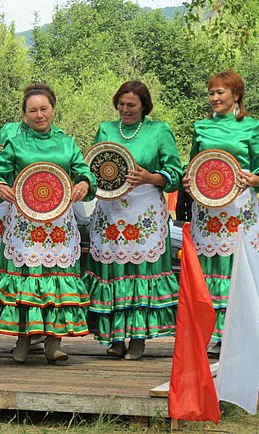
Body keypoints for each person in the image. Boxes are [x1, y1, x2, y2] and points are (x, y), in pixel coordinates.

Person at [0, 85, 97, 364]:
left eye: (43, 108)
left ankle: (53, 342)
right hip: (24, 224)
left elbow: (84, 172)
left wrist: (83, 183)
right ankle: (22, 339)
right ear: (24, 115)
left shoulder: (67, 142)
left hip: (58, 225)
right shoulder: (15, 143)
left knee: (55, 280)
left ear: (53, 109)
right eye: (32, 110)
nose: (39, 114)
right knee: (27, 280)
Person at [83, 81, 183, 360]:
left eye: (131, 105)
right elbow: (92, 168)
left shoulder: (159, 130)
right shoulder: (106, 129)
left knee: (141, 273)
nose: (125, 110)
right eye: (122, 104)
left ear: (144, 107)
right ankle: (115, 337)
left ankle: (138, 338)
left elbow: (174, 171)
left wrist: (150, 177)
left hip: (144, 211)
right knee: (113, 273)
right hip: (110, 211)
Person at [184, 70, 259, 355]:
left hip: (239, 208)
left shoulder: (252, 127)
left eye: (220, 92)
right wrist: (188, 179)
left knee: (237, 270)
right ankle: (210, 332)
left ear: (236, 95)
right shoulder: (200, 127)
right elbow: (194, 165)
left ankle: (236, 335)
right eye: (211, 93)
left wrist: (256, 180)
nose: (214, 98)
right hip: (208, 212)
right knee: (209, 271)